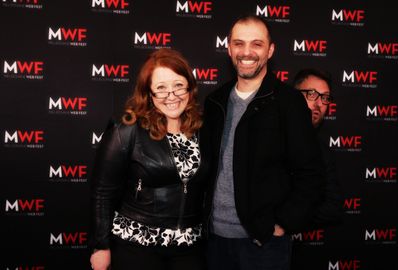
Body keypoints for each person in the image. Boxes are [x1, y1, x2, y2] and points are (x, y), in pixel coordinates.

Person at [201, 15, 326, 270]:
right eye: (239, 43)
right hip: (214, 240)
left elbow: (311, 173)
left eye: (256, 44)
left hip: (262, 244)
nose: (247, 52)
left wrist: (281, 225)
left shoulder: (288, 103)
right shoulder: (215, 101)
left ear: (270, 51)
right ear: (229, 48)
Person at [89, 48, 209, 270]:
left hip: (189, 247)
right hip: (137, 247)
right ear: (150, 94)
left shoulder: (202, 129)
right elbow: (102, 192)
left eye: (178, 86)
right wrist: (100, 246)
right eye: (161, 88)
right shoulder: (127, 129)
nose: (171, 96)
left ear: (190, 88)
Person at [293, 68, 343, 227]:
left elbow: (332, 208)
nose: (319, 104)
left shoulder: (322, 151)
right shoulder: (267, 137)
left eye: (325, 97)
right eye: (312, 94)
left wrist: (285, 219)